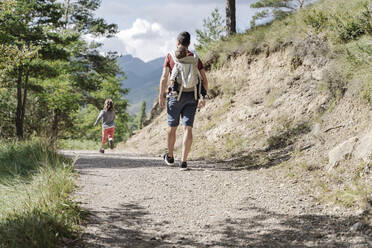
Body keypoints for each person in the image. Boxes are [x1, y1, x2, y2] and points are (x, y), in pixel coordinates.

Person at [159, 31, 209, 170]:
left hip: (175, 96)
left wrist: (161, 95)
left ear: (178, 43)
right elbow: (204, 79)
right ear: (189, 43)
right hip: (192, 96)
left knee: (172, 127)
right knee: (188, 127)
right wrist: (203, 97)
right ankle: (184, 161)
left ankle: (170, 157)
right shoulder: (195, 58)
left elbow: (164, 77)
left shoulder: (170, 55)